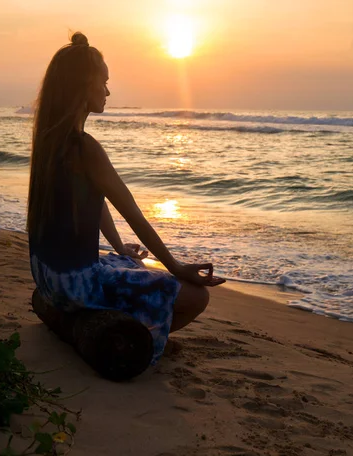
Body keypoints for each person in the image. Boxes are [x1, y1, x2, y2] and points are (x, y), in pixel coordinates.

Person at [27, 32, 226, 364]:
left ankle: (118, 320)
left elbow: (95, 200)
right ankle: (141, 339)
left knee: (131, 260)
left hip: (49, 280)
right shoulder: (84, 147)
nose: (107, 91)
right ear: (82, 86)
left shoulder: (50, 141)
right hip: (77, 287)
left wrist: (119, 247)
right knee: (196, 297)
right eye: (102, 82)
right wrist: (175, 266)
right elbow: (133, 212)